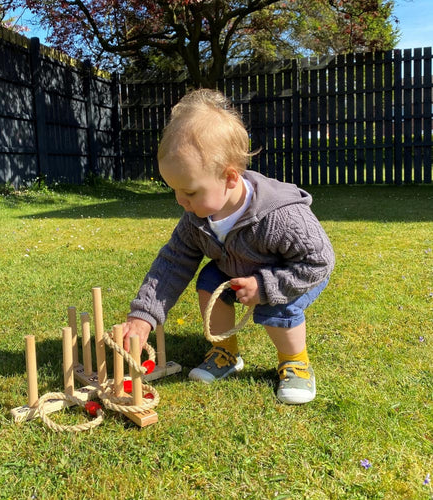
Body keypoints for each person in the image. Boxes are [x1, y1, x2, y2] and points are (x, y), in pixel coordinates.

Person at [122, 88, 335, 404]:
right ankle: (226, 352)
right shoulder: (196, 219)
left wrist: (265, 286)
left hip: (294, 275)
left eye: (190, 192)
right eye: (175, 191)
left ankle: (295, 362)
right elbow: (173, 262)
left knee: (277, 304)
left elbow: (319, 261)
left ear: (230, 178)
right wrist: (144, 315)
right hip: (237, 270)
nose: (181, 201)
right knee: (210, 279)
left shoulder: (281, 216)